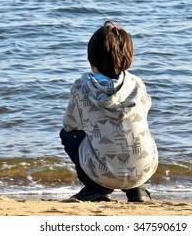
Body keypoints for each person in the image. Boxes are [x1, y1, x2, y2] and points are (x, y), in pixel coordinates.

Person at [60, 21, 158, 202]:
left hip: (103, 174)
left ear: (91, 59)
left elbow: (69, 124)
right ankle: (138, 189)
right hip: (144, 169)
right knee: (134, 130)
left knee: (68, 134)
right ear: (129, 57)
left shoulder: (81, 86)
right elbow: (143, 112)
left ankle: (95, 187)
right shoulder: (137, 84)